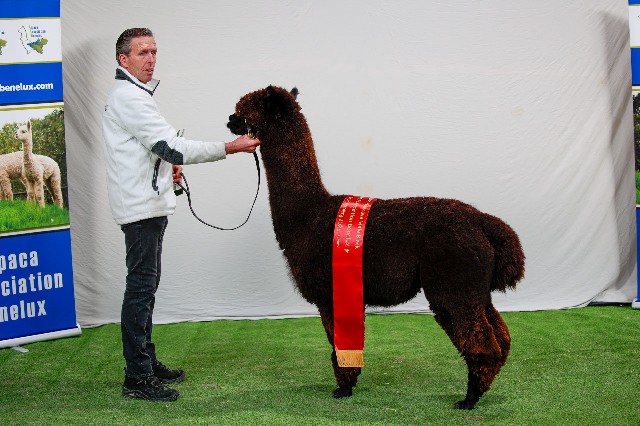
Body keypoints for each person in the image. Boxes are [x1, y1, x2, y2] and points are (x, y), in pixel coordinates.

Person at [102, 28, 260, 402]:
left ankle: (145, 361)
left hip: (147, 204)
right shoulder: (130, 97)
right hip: (140, 208)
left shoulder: (135, 95)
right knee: (141, 288)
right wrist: (231, 146)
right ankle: (137, 378)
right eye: (142, 52)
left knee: (146, 286)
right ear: (123, 59)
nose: (151, 59)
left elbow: (151, 149)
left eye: (154, 51)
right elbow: (172, 146)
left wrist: (164, 168)